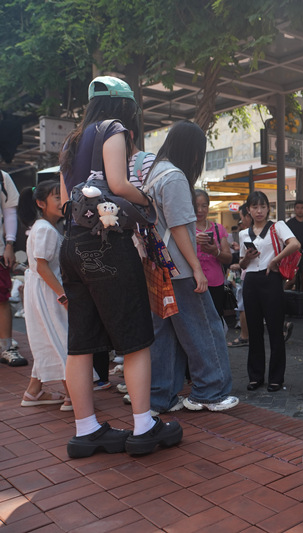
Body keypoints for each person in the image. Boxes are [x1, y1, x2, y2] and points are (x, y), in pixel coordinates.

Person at [59, 75, 181, 458]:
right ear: (125, 106)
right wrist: (145, 198)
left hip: (72, 245)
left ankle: (86, 430)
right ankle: (144, 427)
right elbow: (118, 182)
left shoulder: (71, 141)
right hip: (108, 243)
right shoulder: (113, 130)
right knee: (135, 338)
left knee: (80, 342)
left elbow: (64, 200)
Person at [145, 121, 238, 414]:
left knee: (164, 335)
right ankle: (210, 392)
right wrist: (196, 268)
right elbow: (179, 228)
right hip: (179, 270)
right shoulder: (174, 177)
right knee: (205, 329)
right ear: (193, 151)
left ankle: (160, 397)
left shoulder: (152, 174)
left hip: (156, 268)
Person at [239, 191, 300, 392]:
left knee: (275, 330)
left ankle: (276, 378)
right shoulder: (244, 234)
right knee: (254, 331)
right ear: (248, 210)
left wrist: (275, 260)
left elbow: (295, 244)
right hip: (250, 281)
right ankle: (255, 376)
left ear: (268, 208)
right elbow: (241, 265)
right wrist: (247, 258)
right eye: (255, 207)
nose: (259, 211)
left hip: (271, 279)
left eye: (263, 206)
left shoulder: (277, 226)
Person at [18, 182, 70, 410]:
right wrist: (63, 296)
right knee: (60, 337)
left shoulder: (43, 227)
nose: (62, 201)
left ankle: (34, 391)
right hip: (48, 292)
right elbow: (42, 266)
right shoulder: (45, 229)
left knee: (47, 338)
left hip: (42, 290)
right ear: (41, 203)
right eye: (56, 197)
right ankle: (73, 394)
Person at [194, 189, 232, 320]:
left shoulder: (218, 228)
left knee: (215, 319)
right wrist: (193, 240)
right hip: (193, 282)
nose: (200, 210)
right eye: (196, 206)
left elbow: (228, 258)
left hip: (216, 282)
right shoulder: (185, 230)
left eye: (204, 206)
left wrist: (215, 252)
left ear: (208, 207)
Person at [0, 170, 21, 367]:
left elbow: (9, 212)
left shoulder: (2, 177)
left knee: (2, 299)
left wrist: (9, 243)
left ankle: (6, 347)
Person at [228, 204, 251, 347]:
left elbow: (243, 262)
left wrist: (239, 264)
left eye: (242, 218)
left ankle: (244, 336)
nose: (242, 222)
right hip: (258, 275)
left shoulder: (246, 234)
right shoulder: (249, 233)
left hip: (247, 276)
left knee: (242, 307)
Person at [286, 200, 303, 291]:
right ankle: (283, 295)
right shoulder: (289, 224)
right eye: (298, 208)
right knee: (292, 280)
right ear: (294, 209)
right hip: (293, 255)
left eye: (302, 208)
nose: (300, 210)